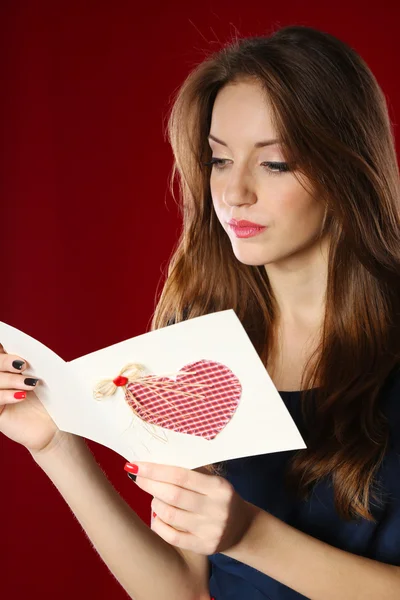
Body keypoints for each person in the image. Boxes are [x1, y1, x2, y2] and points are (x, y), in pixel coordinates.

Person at [1, 23, 400, 600]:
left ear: (347, 168)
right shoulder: (199, 347)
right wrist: (56, 445)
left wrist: (252, 537)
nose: (233, 193)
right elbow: (180, 592)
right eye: (218, 159)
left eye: (276, 163)